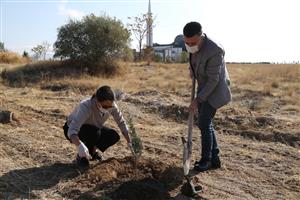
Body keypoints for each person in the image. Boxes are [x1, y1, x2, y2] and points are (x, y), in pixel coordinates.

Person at [183, 22, 232, 172]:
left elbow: (213, 81)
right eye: (187, 42)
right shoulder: (192, 45)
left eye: (193, 42)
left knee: (204, 123)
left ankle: (207, 159)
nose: (190, 45)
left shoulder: (215, 50)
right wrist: (191, 69)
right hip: (203, 88)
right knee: (206, 123)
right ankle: (215, 158)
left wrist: (197, 101)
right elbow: (194, 60)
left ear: (201, 36)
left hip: (215, 91)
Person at [63, 85, 132, 167]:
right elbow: (72, 130)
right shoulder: (86, 106)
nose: (108, 108)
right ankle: (81, 157)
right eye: (105, 106)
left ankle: (92, 152)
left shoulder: (112, 106)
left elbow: (121, 123)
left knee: (113, 135)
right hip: (72, 129)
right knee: (95, 133)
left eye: (110, 106)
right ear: (97, 101)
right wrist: (80, 146)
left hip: (93, 128)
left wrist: (129, 141)